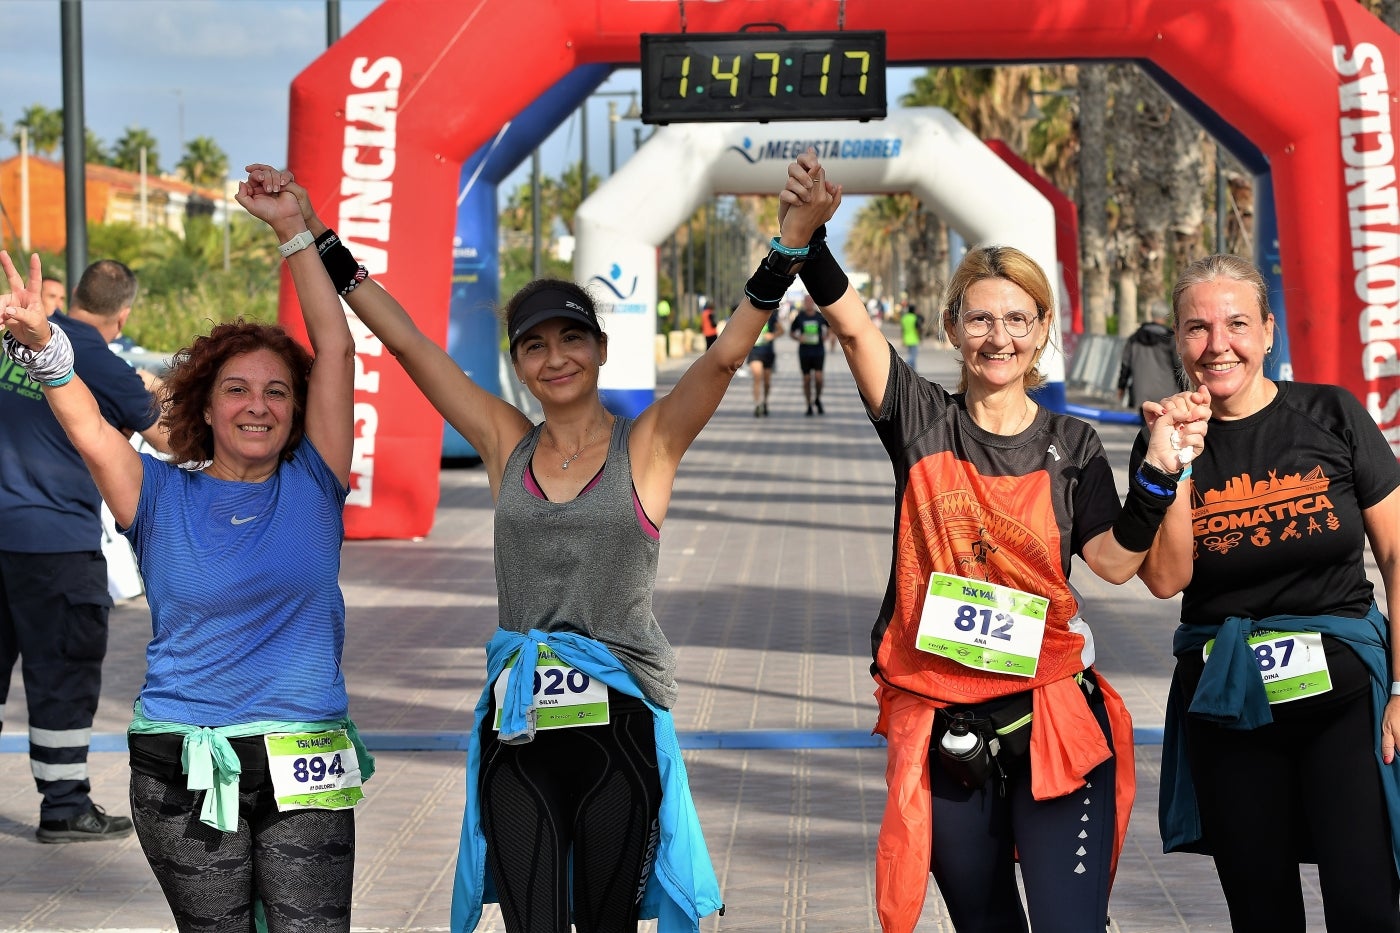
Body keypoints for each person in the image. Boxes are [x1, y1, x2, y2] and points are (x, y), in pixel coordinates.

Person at [274, 163, 815, 933]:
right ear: (518, 363)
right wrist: (307, 231)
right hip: (518, 725)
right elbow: (407, 342)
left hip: (617, 727)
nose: (554, 357)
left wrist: (788, 247)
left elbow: (726, 355)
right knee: (529, 921)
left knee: (602, 924)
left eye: (570, 339)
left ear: (598, 349)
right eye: (533, 346)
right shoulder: (506, 444)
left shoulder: (650, 445)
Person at [778, 150, 1207, 933]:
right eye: (979, 317)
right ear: (951, 327)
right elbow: (849, 324)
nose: (998, 336)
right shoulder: (921, 421)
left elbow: (1114, 562)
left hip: (1053, 723)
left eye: (1017, 319)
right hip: (946, 728)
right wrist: (809, 238)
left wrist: (1156, 476)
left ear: (1042, 329)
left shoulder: (1072, 444)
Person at [1, 162, 369, 929]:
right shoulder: (161, 494)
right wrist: (43, 345)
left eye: (277, 390)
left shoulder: (314, 483)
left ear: (298, 409)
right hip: (181, 759)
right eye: (237, 388)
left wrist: (293, 230)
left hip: (306, 753)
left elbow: (335, 351)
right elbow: (91, 429)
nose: (258, 405)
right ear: (205, 401)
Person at [1139, 254, 1400, 932]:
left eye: (1236, 324)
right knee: (1261, 911)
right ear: (1178, 338)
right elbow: (1166, 577)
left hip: (1343, 703)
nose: (1217, 344)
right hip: (1230, 706)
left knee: (1367, 903)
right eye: (1197, 327)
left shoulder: (1331, 413)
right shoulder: (1172, 441)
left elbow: (1398, 552)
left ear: (1268, 331)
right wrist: (1175, 464)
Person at [0, 258, 169, 844]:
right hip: (54, 545)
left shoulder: (10, 341)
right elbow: (171, 438)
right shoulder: (99, 358)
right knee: (63, 676)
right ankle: (66, 806)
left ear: (73, 296)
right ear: (121, 316)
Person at [1117, 299, 1185, 420]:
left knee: (1145, 429)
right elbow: (1178, 366)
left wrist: (1121, 387)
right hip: (1167, 394)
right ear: (1165, 316)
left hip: (1141, 393)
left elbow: (1125, 365)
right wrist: (1184, 389)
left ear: (1151, 314)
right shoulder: (1170, 339)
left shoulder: (1134, 338)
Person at [789, 294, 833, 416]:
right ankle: (808, 404)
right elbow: (791, 333)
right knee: (807, 379)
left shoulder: (820, 317)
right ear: (804, 303)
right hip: (804, 352)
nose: (808, 303)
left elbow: (830, 328)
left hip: (818, 350)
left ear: (813, 303)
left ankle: (817, 398)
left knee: (818, 378)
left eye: (810, 301)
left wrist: (826, 336)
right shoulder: (800, 317)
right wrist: (798, 338)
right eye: (806, 301)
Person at [746, 305, 783, 417]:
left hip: (767, 352)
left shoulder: (771, 316)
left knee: (767, 382)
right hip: (754, 352)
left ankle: (765, 401)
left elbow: (781, 330)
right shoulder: (750, 316)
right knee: (757, 377)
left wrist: (772, 335)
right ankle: (757, 404)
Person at [899, 302, 923, 369]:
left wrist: (902, 339)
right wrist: (920, 337)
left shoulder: (904, 318)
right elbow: (918, 328)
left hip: (906, 338)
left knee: (911, 354)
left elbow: (902, 330)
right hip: (914, 338)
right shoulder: (915, 318)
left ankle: (913, 370)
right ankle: (905, 365)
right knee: (913, 356)